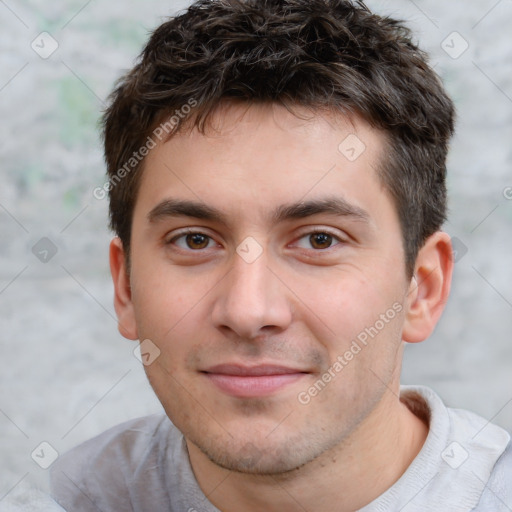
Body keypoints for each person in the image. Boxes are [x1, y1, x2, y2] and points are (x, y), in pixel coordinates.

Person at [50, 0, 512, 510]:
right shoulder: (71, 497)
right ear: (126, 287)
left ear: (422, 288)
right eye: (195, 240)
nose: (249, 312)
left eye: (319, 240)